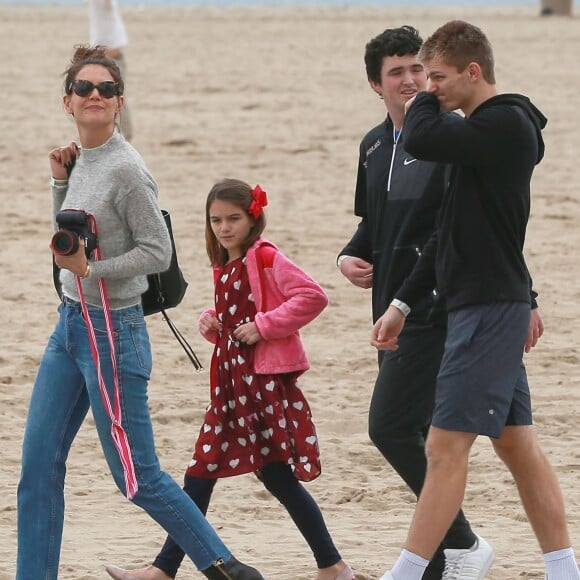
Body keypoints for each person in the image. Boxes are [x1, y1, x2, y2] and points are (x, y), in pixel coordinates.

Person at [16, 46, 263, 580]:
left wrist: (91, 272)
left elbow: (158, 253)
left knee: (136, 477)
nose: (96, 96)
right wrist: (59, 182)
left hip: (113, 330)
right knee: (37, 469)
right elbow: (74, 238)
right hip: (70, 327)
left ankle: (229, 569)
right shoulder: (81, 160)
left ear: (120, 102)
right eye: (85, 88)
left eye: (107, 89)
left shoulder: (127, 169)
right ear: (68, 101)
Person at [371, 20, 580, 580]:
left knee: (442, 447)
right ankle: (565, 570)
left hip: (489, 307)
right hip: (484, 303)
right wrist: (402, 304)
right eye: (422, 78)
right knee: (517, 446)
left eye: (437, 76)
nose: (429, 87)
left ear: (473, 71)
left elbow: (418, 137)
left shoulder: (505, 122)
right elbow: (447, 235)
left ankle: (407, 573)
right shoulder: (482, 131)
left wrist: (419, 99)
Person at [105, 178, 354, 580]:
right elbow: (238, 313)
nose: (224, 227)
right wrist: (212, 321)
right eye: (216, 220)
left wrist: (264, 325)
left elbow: (312, 296)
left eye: (234, 218)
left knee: (205, 473)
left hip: (257, 388)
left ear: (253, 218)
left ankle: (162, 571)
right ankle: (333, 566)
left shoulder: (265, 256)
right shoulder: (223, 263)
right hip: (230, 386)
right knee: (265, 477)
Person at [337, 25, 493, 579]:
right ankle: (442, 555)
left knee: (390, 426)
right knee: (424, 438)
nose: (410, 80)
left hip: (435, 307)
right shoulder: (374, 146)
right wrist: (346, 257)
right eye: (396, 72)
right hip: (389, 313)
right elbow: (372, 227)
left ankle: (462, 542)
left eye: (416, 69)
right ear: (374, 85)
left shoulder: (451, 140)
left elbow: (478, 224)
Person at [88, 0, 133, 140]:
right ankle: (113, 133)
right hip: (103, 56)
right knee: (101, 96)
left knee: (115, 96)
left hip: (112, 57)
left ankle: (124, 134)